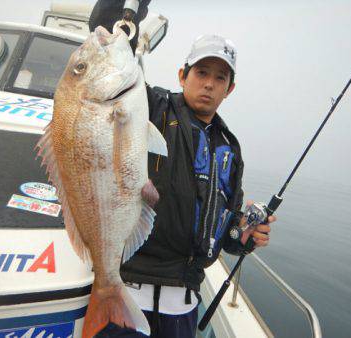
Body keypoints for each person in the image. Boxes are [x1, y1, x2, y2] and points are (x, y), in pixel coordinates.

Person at [89, 2, 276, 337]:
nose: (209, 84)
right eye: (201, 73)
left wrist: (243, 233)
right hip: (128, 291)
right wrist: (130, 8)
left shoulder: (229, 148)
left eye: (220, 77)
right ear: (182, 75)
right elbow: (108, 47)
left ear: (229, 89)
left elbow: (227, 226)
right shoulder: (151, 106)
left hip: (185, 309)